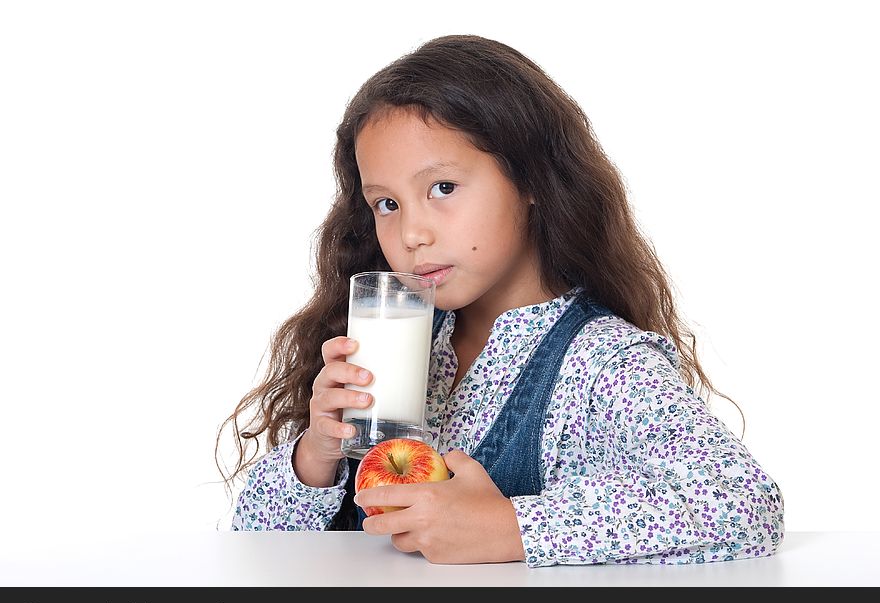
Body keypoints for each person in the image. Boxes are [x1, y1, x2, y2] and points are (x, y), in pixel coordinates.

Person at [216, 34, 784, 567]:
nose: (411, 233)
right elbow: (254, 554)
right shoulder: (401, 347)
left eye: (442, 188)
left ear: (531, 179)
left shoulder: (605, 363)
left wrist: (508, 527)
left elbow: (743, 506)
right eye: (386, 204)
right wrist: (316, 454)